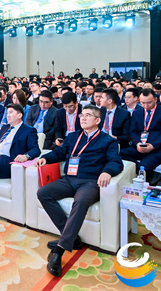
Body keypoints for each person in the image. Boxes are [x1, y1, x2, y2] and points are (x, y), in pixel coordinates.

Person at [34, 105, 123, 277]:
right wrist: (45, 158)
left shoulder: (107, 140)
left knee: (81, 200)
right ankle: (71, 238)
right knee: (43, 193)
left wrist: (107, 171)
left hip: (90, 182)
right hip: (69, 179)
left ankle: (59, 250)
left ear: (97, 120)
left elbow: (116, 161)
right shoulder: (73, 136)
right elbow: (59, 152)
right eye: (82, 115)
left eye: (88, 115)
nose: (83, 118)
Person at [120, 88, 161, 185]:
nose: (146, 105)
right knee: (119, 154)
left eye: (149, 102)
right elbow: (132, 131)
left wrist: (152, 146)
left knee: (144, 167)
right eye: (142, 103)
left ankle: (147, 185)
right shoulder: (137, 112)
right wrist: (138, 143)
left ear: (155, 99)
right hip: (139, 146)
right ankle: (140, 174)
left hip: (157, 149)